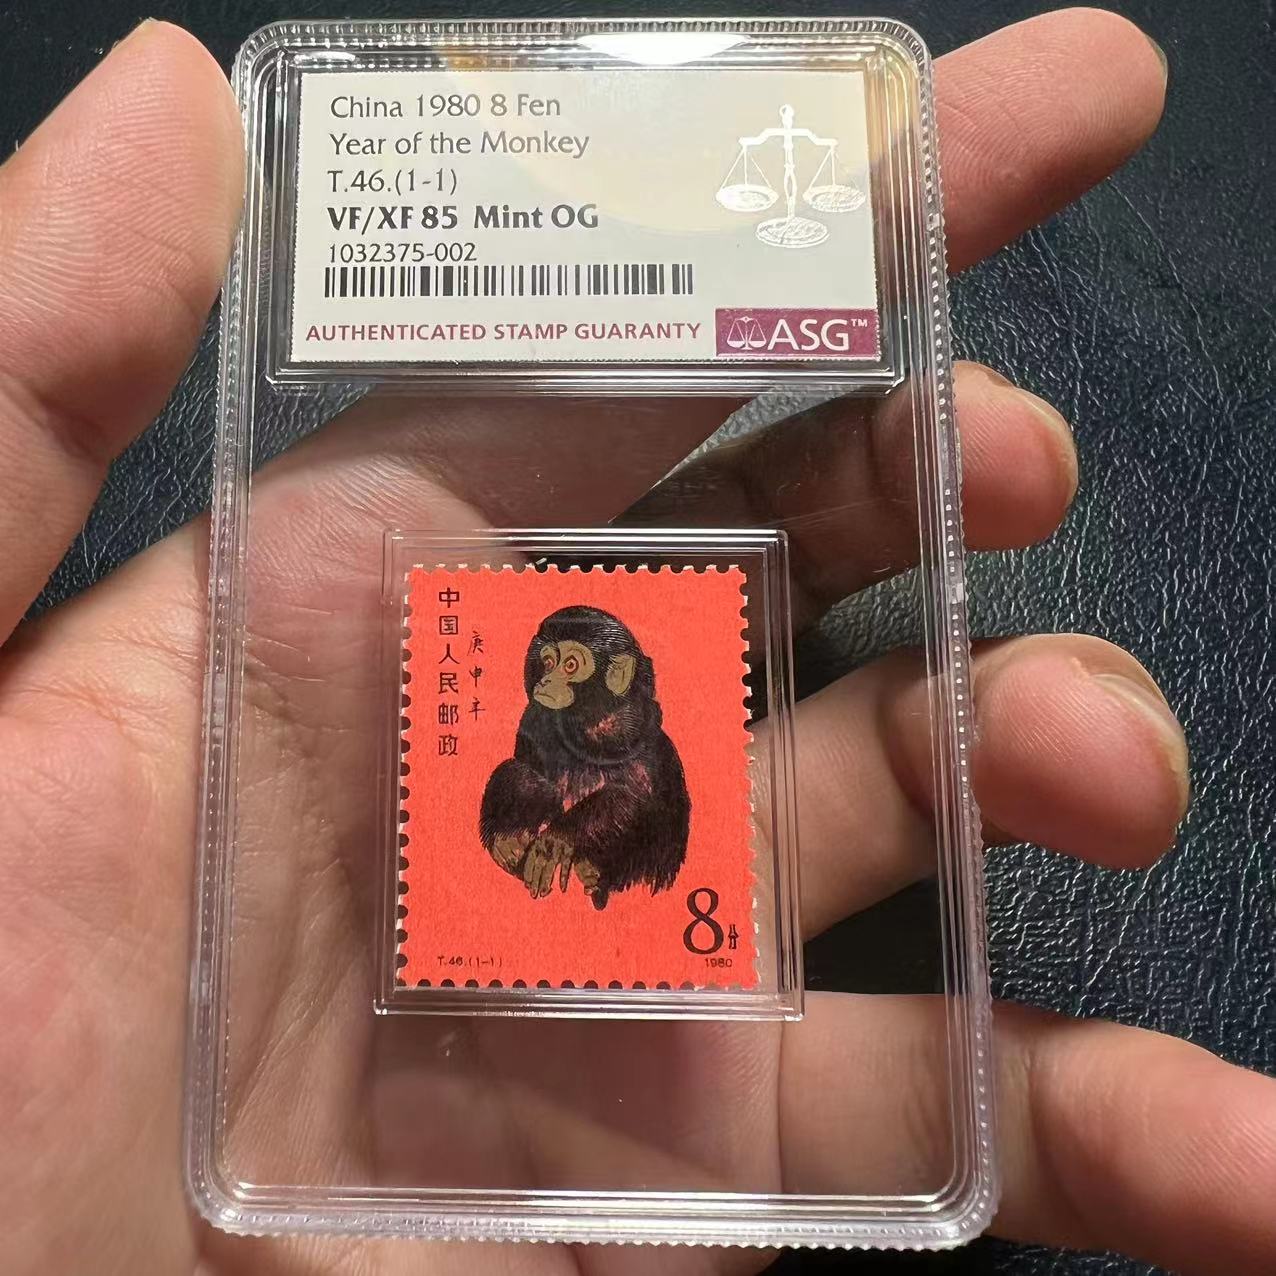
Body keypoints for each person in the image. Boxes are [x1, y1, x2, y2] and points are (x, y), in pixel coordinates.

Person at [0, 12, 1271, 1276]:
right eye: (549, 668)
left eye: (580, 668)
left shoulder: (644, 758)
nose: (560, 682)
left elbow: (636, 824)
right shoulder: (501, 753)